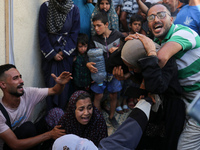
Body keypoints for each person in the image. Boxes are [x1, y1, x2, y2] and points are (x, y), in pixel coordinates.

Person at [127, 3, 200, 149]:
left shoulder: (183, 33)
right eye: (151, 17)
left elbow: (159, 59)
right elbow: (150, 71)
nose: (156, 19)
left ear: (172, 20)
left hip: (198, 101)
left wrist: (147, 48)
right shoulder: (156, 41)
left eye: (161, 15)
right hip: (184, 102)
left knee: (184, 147)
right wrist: (128, 71)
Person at [0, 64, 72, 150]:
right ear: (3, 85)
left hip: (29, 134)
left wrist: (60, 84)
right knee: (28, 127)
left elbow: (54, 90)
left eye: (20, 77)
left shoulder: (28, 93)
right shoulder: (1, 113)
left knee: (56, 113)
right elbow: (15, 145)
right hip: (13, 146)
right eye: (15, 78)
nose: (21, 81)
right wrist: (49, 134)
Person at [52, 96, 154, 150]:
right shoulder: (109, 145)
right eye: (81, 109)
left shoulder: (98, 122)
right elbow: (129, 131)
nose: (86, 113)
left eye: (89, 107)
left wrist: (145, 102)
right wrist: (145, 102)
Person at [38, 0, 80, 110]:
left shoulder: (74, 9)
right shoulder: (46, 7)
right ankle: (51, 115)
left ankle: (61, 114)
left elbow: (74, 33)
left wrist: (63, 52)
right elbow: (42, 33)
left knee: (64, 87)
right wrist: (53, 54)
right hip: (50, 54)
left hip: (65, 55)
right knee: (50, 84)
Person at [87, 12, 124, 128]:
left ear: (106, 24)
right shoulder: (94, 39)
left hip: (114, 73)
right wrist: (88, 64)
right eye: (94, 26)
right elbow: (88, 55)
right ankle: (98, 120)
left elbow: (126, 50)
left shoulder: (118, 36)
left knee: (113, 95)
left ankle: (112, 117)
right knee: (98, 96)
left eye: (99, 25)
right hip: (99, 74)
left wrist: (118, 50)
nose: (96, 29)